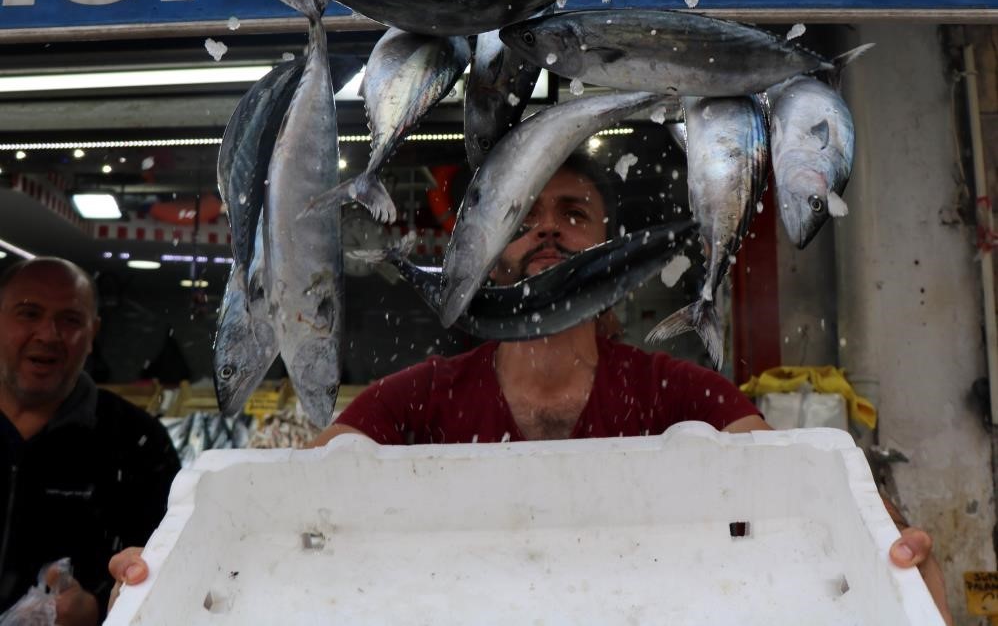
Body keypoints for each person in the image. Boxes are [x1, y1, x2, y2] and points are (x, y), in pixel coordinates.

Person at [109, 157, 953, 624]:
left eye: (574, 211)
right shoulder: (412, 401)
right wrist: (170, 573)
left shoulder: (683, 391)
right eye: (521, 214)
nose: (547, 225)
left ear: (614, 254)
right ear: (483, 251)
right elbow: (295, 515)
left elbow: (791, 499)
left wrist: (894, 563)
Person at [0, 258, 180, 625]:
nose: (48, 334)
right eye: (28, 313)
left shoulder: (139, 443)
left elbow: (173, 573)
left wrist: (100, 606)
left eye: (70, 320)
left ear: (93, 331)